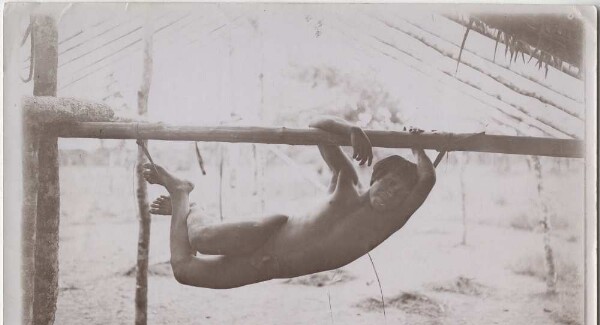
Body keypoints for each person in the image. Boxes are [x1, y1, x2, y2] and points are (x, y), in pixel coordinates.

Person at [143, 118, 436, 289]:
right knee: (200, 239)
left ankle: (183, 199)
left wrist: (419, 150)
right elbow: (316, 127)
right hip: (269, 232)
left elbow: (427, 181)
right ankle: (186, 200)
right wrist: (350, 129)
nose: (392, 195)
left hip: (267, 267)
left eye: (400, 195)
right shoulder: (346, 183)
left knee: (183, 271)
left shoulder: (386, 223)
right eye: (391, 185)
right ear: (377, 177)